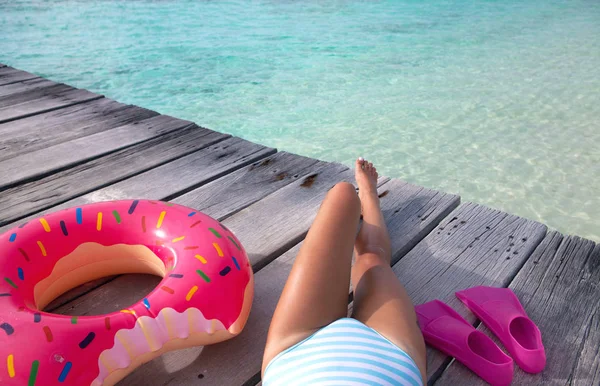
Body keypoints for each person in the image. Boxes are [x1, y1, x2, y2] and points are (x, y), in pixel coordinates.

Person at [261, 158, 427, 385]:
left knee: (342, 194)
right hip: (392, 362)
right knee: (372, 257)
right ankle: (368, 195)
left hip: (294, 357)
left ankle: (359, 200)